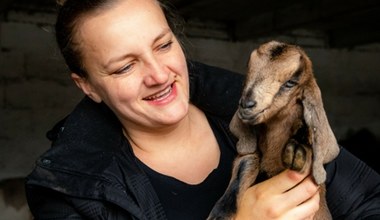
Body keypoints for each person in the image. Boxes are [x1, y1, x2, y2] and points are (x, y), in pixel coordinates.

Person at [25, 0, 380, 219]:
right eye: (125, 67)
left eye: (163, 45)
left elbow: (370, 201)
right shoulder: (69, 192)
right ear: (87, 85)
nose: (160, 75)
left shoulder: (274, 114)